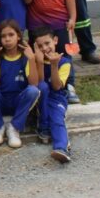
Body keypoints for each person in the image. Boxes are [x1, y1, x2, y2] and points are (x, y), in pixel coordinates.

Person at [0, 20, 40, 148]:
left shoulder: (25, 57)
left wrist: (31, 60)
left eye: (11, 35)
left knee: (33, 90)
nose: (7, 39)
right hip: (2, 102)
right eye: (3, 36)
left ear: (18, 36)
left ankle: (14, 128)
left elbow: (34, 83)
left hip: (19, 103)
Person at [32, 26, 73, 163]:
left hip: (56, 98)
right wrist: (38, 62)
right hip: (39, 99)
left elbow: (56, 86)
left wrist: (54, 65)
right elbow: (40, 84)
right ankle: (43, 128)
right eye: (40, 46)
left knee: (57, 120)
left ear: (55, 41)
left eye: (47, 43)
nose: (44, 48)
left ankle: (61, 148)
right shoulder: (35, 61)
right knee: (42, 87)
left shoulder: (64, 63)